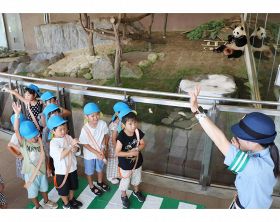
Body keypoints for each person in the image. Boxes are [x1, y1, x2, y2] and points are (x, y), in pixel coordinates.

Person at [189, 86, 279, 209]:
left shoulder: (256, 168)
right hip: (241, 202)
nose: (236, 136)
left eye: (240, 135)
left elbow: (219, 140)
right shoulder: (267, 152)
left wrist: (196, 110)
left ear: (253, 142)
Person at [11, 102, 58, 209]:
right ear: (24, 137)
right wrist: (17, 115)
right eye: (31, 136)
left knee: (44, 187)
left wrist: (48, 167)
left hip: (41, 170)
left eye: (35, 135)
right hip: (30, 173)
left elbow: (44, 155)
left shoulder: (39, 140)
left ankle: (46, 201)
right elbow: (16, 130)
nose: (34, 138)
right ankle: (37, 206)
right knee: (32, 192)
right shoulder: (23, 143)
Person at [47, 115, 82, 209]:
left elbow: (77, 150)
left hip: (72, 168)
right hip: (62, 172)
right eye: (60, 129)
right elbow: (61, 155)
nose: (63, 131)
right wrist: (71, 146)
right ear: (53, 131)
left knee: (73, 186)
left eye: (64, 128)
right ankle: (66, 204)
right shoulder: (53, 143)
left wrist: (76, 149)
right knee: (63, 190)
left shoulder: (68, 137)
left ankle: (71, 199)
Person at [115, 108, 146, 209]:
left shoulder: (137, 132)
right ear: (123, 124)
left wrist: (137, 149)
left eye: (135, 123)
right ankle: (123, 195)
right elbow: (117, 152)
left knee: (137, 178)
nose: (133, 126)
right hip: (125, 166)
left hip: (137, 163)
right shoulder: (121, 137)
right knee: (125, 181)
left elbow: (142, 144)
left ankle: (136, 191)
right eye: (130, 124)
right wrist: (128, 153)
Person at [79, 102, 109, 196]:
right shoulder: (85, 129)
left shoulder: (103, 124)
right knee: (89, 171)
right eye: (92, 116)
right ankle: (91, 185)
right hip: (89, 154)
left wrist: (104, 148)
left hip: (100, 152)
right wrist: (96, 152)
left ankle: (100, 182)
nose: (95, 117)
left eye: (97, 115)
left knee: (100, 168)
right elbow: (85, 144)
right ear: (86, 117)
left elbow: (106, 136)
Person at [106, 102, 130, 184]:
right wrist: (116, 149)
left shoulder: (119, 121)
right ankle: (111, 176)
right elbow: (113, 139)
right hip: (113, 146)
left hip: (116, 144)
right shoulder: (114, 125)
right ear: (119, 113)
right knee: (113, 161)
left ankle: (116, 174)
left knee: (116, 161)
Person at [7, 113, 26, 180]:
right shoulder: (15, 136)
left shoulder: (26, 131)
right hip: (22, 157)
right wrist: (16, 155)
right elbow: (9, 146)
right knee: (25, 173)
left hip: (27, 156)